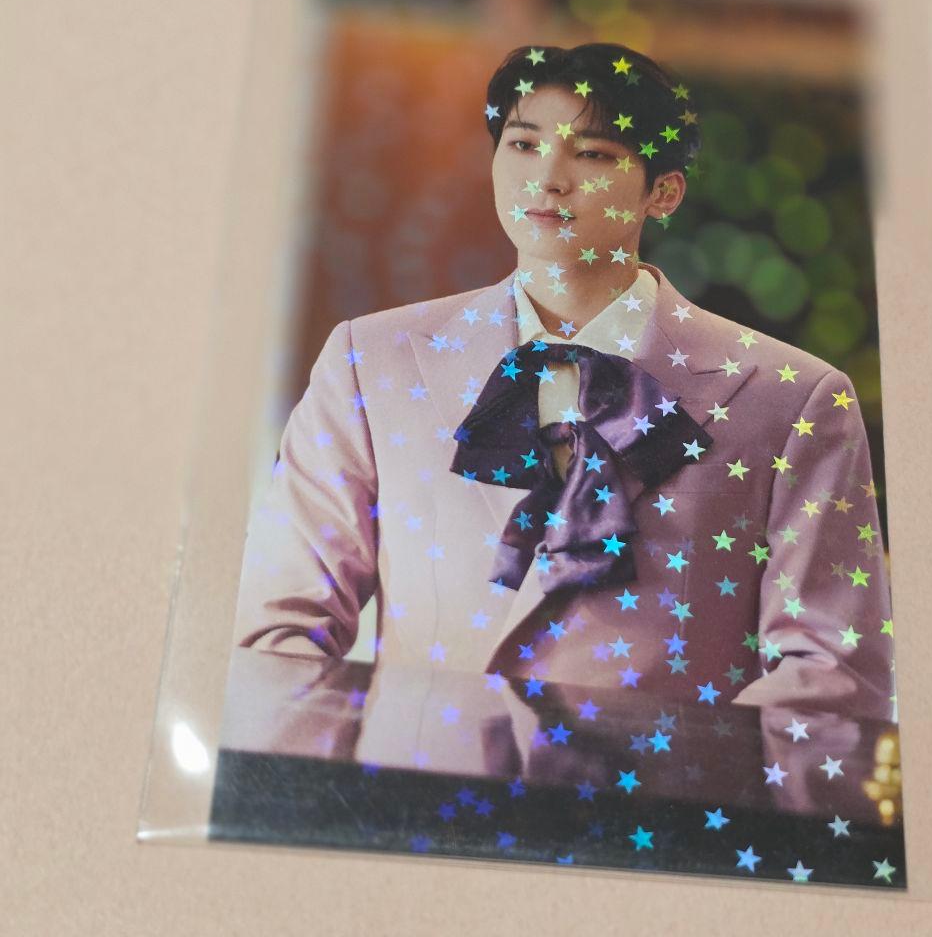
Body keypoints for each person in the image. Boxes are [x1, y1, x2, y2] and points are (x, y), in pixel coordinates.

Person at [232, 42, 896, 720]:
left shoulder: (791, 396)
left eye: (594, 154)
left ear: (664, 192)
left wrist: (685, 784)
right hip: (421, 778)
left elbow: (831, 674)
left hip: (662, 785)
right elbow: (276, 628)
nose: (548, 179)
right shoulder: (372, 362)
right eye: (523, 144)